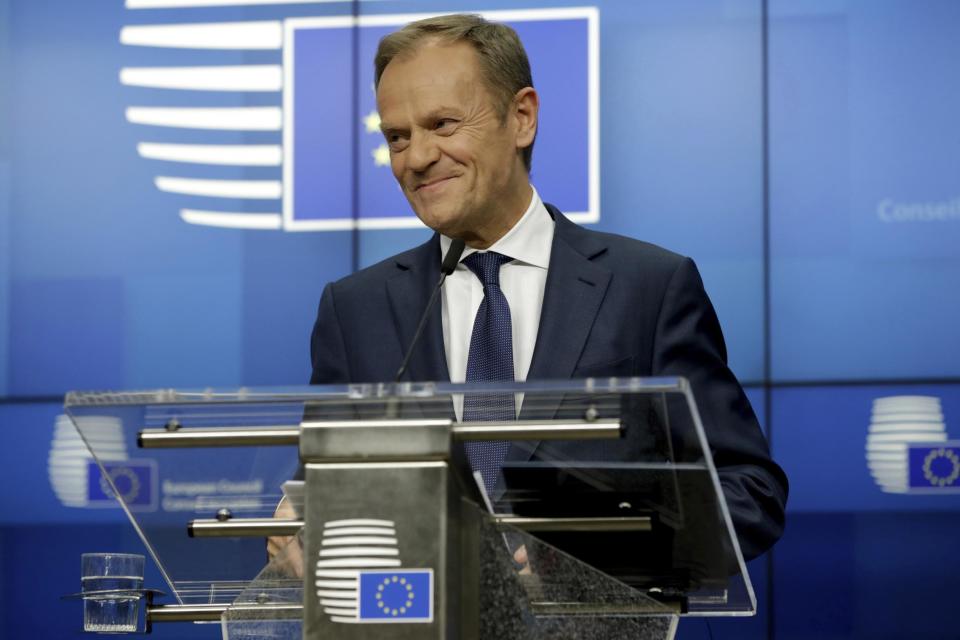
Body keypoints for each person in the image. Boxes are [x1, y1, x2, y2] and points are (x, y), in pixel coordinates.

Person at [305, 14, 787, 562]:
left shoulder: (648, 288)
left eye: (442, 124)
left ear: (522, 118)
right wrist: (302, 526)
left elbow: (748, 489)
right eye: (398, 136)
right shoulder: (355, 310)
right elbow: (322, 494)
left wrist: (591, 557)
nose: (416, 158)